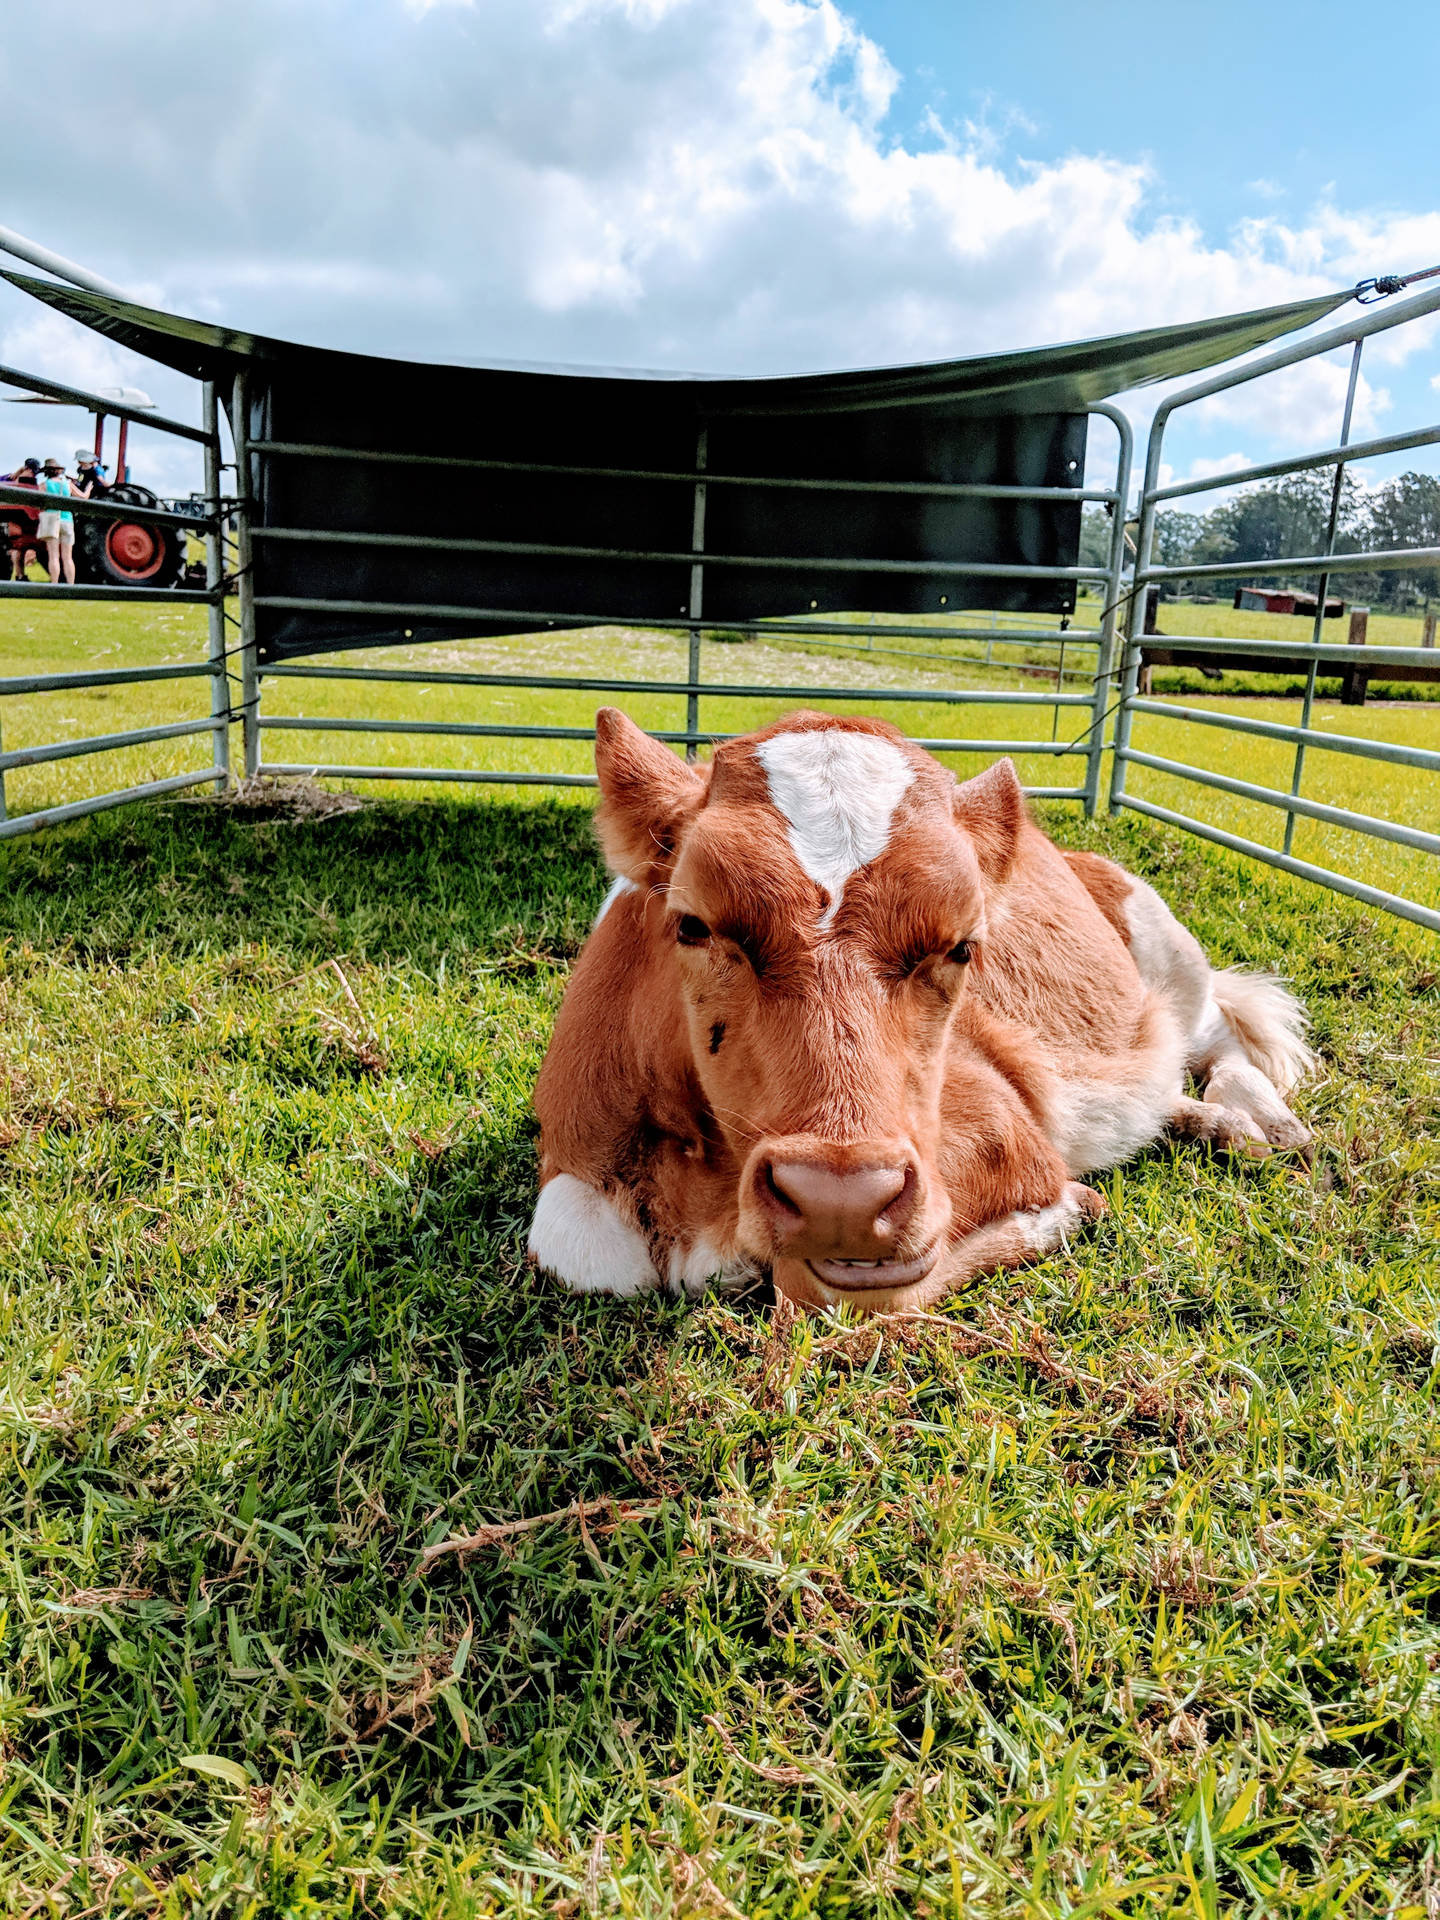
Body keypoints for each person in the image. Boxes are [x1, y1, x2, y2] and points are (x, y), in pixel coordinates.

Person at [37, 456, 78, 585]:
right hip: (67, 519)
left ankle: (54, 584)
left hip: (51, 519)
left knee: (54, 556)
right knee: (68, 557)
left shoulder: (44, 485)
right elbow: (83, 496)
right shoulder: (68, 484)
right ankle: (71, 585)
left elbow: (39, 502)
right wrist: (88, 488)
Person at [1, 456, 41, 581]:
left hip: (21, 521)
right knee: (16, 548)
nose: (33, 475)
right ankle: (19, 575)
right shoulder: (11, 480)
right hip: (12, 520)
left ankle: (20, 575)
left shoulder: (11, 479)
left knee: (19, 548)